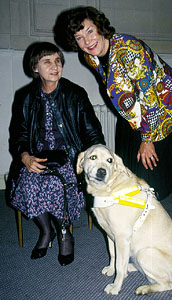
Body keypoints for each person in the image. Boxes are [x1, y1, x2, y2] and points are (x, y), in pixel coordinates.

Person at [53, 6, 172, 200]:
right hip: (134, 111)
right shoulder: (89, 56)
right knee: (127, 166)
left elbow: (148, 96)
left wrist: (148, 139)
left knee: (148, 173)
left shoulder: (130, 49)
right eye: (79, 37)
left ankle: (149, 211)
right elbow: (114, 85)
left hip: (163, 105)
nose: (87, 41)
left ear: (99, 26)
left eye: (89, 31)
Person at [9, 41, 105, 265]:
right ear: (35, 67)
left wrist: (95, 161)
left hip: (70, 158)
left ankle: (64, 233)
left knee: (54, 185)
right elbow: (18, 135)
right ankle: (45, 231)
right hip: (37, 156)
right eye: (47, 61)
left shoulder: (75, 94)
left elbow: (93, 133)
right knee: (28, 184)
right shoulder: (25, 97)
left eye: (58, 61)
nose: (55, 66)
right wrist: (25, 157)